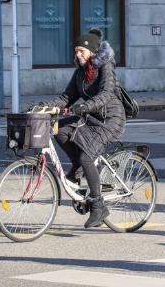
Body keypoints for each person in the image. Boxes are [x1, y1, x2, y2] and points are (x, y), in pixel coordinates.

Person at [40, 29, 126, 229]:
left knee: (87, 157)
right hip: (90, 116)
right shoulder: (80, 72)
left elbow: (105, 94)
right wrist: (44, 107)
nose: (78, 55)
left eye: (82, 51)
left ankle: (98, 206)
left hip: (110, 119)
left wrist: (86, 106)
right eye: (76, 51)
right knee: (57, 128)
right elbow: (66, 97)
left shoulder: (105, 67)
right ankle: (77, 168)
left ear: (93, 52)